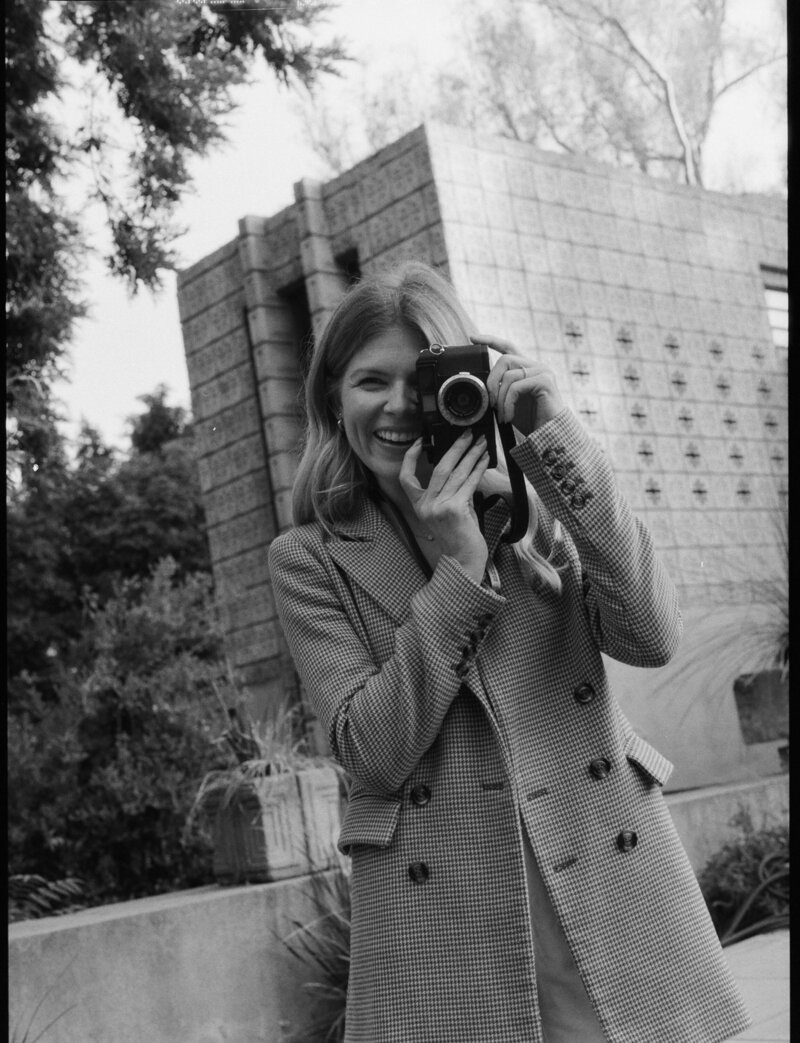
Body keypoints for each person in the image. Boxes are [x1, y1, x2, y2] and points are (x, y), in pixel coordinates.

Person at [268, 261, 751, 1043]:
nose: (397, 408)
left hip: (604, 881)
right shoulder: (311, 559)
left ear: (466, 383)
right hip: (447, 924)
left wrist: (556, 433)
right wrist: (459, 570)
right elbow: (372, 754)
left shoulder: (537, 514)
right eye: (369, 381)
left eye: (421, 380)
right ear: (331, 397)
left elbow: (653, 634)